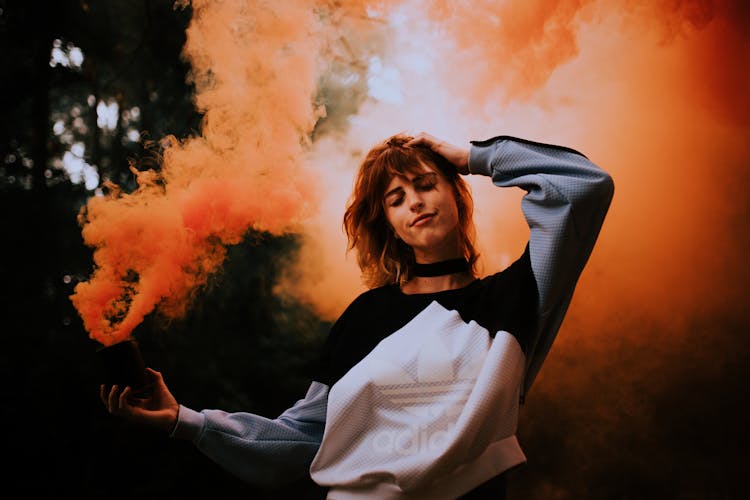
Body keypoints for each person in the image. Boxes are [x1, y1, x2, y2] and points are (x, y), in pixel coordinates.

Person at [101, 131, 614, 499]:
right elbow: (305, 439)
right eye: (396, 197)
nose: (415, 201)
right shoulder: (366, 317)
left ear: (456, 193)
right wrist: (185, 422)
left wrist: (473, 156)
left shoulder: (518, 298)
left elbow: (582, 186)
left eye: (426, 183)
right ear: (388, 223)